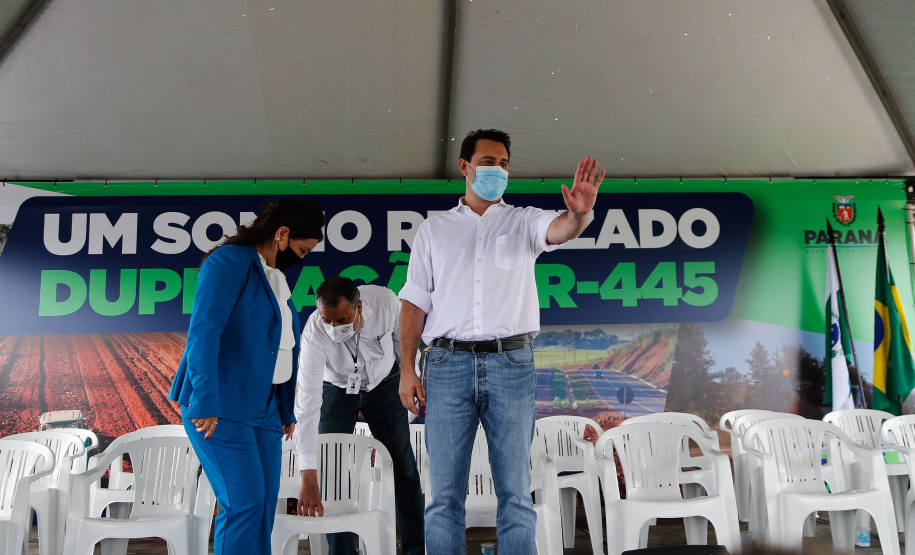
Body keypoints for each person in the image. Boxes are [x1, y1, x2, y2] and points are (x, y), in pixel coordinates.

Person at [398, 129, 604, 554]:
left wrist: (580, 215)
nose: (499, 170)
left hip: (511, 364)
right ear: (465, 167)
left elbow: (561, 228)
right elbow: (413, 304)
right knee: (443, 497)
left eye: (505, 163)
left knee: (515, 494)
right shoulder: (433, 231)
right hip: (445, 365)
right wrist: (406, 369)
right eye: (489, 162)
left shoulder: (523, 220)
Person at [168, 197, 325, 555]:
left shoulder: (276, 278)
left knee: (264, 504)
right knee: (244, 504)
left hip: (266, 409)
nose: (303, 257)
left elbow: (280, 346)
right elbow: (204, 331)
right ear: (282, 234)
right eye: (302, 249)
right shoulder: (228, 263)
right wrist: (206, 399)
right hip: (221, 405)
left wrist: (285, 409)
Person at [294, 276, 424, 555]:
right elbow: (306, 405)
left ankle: (414, 548)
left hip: (384, 382)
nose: (333, 328)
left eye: (342, 320)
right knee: (332, 471)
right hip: (336, 387)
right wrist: (307, 474)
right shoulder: (314, 332)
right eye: (328, 321)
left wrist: (409, 384)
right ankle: (341, 552)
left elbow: (406, 348)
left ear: (360, 307)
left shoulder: (386, 302)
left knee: (404, 468)